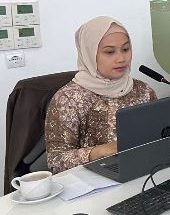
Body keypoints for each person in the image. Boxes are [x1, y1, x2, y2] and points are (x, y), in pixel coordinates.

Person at [45, 17, 156, 173]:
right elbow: (56, 161)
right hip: (92, 182)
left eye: (125, 49)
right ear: (89, 54)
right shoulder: (68, 99)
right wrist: (99, 152)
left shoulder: (143, 90)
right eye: (110, 52)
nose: (121, 58)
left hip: (143, 171)